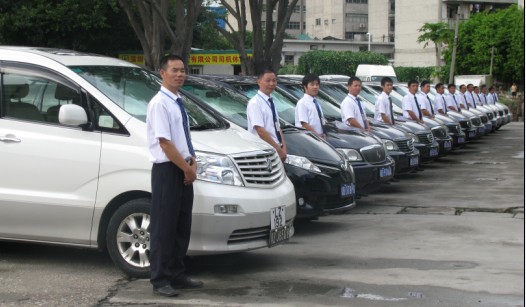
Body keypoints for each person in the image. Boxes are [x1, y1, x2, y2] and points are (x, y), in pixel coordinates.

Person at [146, 54, 203, 297]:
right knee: (164, 227)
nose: (180, 74)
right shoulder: (159, 103)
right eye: (174, 70)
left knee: (181, 225)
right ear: (162, 72)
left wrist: (193, 161)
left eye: (182, 70)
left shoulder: (178, 101)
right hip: (168, 170)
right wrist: (186, 168)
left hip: (183, 167)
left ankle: (177, 273)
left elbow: (182, 140)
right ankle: (160, 279)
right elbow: (165, 144)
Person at [247, 69, 287, 161]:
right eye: (268, 80)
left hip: (276, 149)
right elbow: (260, 131)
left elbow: (277, 126)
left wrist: (283, 146)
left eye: (274, 80)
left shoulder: (271, 101)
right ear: (259, 82)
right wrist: (278, 150)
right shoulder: (255, 103)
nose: (272, 84)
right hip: (264, 151)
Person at [295, 73, 326, 139]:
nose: (315, 87)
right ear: (305, 87)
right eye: (312, 84)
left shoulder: (316, 102)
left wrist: (324, 134)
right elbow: (304, 124)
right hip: (309, 138)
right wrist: (317, 136)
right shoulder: (302, 103)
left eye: (317, 84)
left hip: (319, 137)